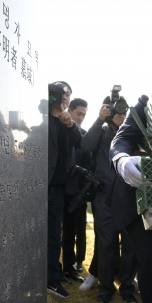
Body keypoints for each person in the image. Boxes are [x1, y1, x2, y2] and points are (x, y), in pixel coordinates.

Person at [109, 95, 152, 303]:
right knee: (151, 258)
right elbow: (123, 139)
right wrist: (122, 161)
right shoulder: (146, 104)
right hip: (143, 197)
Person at [80, 97, 138, 303]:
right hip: (104, 195)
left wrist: (131, 123)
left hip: (129, 195)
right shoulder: (102, 131)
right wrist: (98, 120)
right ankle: (105, 288)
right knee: (106, 243)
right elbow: (85, 145)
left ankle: (127, 286)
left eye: (123, 110)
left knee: (130, 243)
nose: (120, 114)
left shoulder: (132, 132)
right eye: (115, 110)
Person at [46, 81, 83, 299]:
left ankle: (53, 275)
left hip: (60, 187)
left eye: (68, 95)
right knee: (45, 234)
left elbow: (80, 142)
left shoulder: (68, 122)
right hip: (42, 183)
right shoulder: (42, 116)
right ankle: (49, 277)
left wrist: (70, 124)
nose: (65, 98)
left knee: (55, 235)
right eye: (61, 94)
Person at [61, 98, 91, 283]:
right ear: (69, 110)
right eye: (78, 114)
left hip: (76, 191)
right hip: (57, 188)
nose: (80, 118)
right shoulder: (57, 130)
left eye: (83, 115)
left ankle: (73, 264)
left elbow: (88, 163)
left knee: (75, 230)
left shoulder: (85, 137)